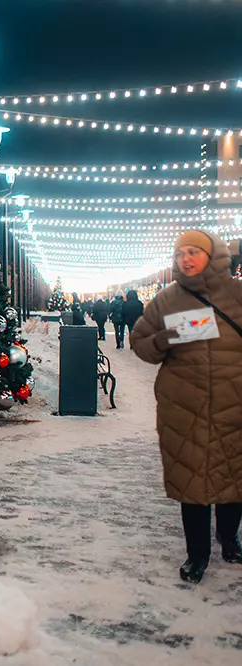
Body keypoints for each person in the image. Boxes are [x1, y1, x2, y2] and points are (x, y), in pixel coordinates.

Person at [131, 230, 242, 584]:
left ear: (213, 255)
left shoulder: (238, 295)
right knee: (193, 481)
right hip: (185, 406)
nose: (186, 259)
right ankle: (197, 555)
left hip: (235, 402)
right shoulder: (167, 300)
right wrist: (168, 337)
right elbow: (140, 344)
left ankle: (229, 538)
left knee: (233, 476)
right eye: (180, 254)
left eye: (194, 252)